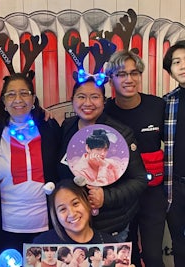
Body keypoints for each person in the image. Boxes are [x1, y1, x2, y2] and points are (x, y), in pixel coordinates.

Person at [58, 76, 147, 243]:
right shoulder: (66, 127)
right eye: (81, 96)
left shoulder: (120, 134)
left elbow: (140, 179)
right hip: (73, 224)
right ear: (72, 100)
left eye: (95, 96)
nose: (88, 103)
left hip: (110, 227)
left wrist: (106, 197)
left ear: (104, 101)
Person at [0, 72, 61, 266]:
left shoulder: (49, 127)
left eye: (24, 93)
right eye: (11, 94)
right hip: (6, 226)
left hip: (46, 225)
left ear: (33, 99)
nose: (18, 99)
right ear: (3, 102)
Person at [104, 50, 167, 267]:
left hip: (153, 194)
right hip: (120, 195)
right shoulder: (103, 111)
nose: (129, 79)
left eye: (134, 73)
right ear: (111, 79)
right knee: (124, 257)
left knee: (152, 256)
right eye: (121, 74)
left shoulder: (159, 106)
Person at [163, 40, 185, 267]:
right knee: (180, 243)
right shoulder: (167, 102)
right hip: (175, 186)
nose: (182, 66)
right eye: (176, 62)